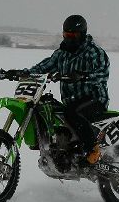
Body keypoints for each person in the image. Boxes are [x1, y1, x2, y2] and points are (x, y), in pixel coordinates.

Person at [26, 14, 110, 165]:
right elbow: (44, 67)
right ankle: (62, 151)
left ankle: (93, 150)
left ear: (82, 34)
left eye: (73, 35)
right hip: (71, 102)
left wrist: (82, 76)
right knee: (48, 108)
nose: (69, 38)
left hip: (94, 99)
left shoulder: (94, 52)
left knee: (72, 113)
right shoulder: (62, 53)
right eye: (66, 35)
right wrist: (23, 73)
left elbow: (102, 74)